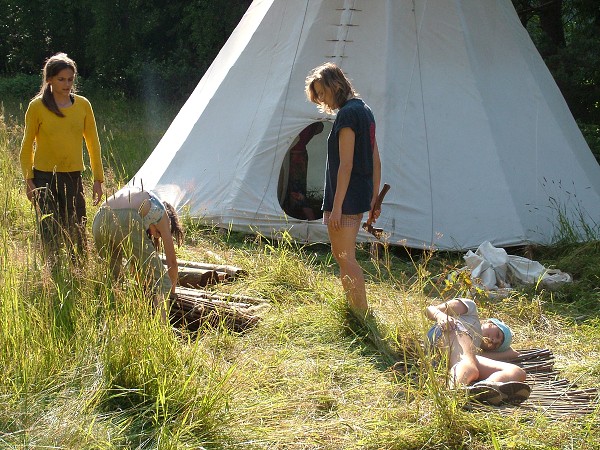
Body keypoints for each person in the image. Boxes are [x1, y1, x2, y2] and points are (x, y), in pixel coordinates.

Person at [305, 62, 382, 317]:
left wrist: (336, 208)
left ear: (335, 86)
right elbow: (375, 159)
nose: (323, 100)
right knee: (346, 258)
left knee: (345, 259)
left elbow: (346, 165)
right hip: (358, 195)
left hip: (346, 199)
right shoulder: (365, 110)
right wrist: (373, 199)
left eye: (323, 93)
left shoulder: (348, 114)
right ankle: (356, 311)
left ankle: (359, 315)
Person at [20, 52, 104, 261]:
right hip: (43, 177)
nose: (67, 84)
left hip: (73, 176)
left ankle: (79, 268)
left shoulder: (83, 105)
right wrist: (29, 181)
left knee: (77, 225)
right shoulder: (37, 106)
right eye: (61, 79)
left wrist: (98, 179)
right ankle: (52, 269)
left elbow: (93, 144)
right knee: (49, 227)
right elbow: (26, 145)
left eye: (70, 79)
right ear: (49, 79)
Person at [92, 186, 184, 322]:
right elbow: (172, 263)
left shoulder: (141, 203)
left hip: (99, 218)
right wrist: (171, 292)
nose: (156, 237)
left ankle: (107, 325)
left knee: (113, 282)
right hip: (124, 218)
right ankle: (162, 334)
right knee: (162, 282)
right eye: (158, 234)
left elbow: (135, 264)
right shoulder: (162, 214)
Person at [425, 297, 531, 405]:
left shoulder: (476, 350)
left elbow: (508, 354)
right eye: (498, 334)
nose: (494, 340)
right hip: (447, 330)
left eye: (497, 345)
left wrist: (508, 352)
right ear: (491, 323)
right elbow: (429, 309)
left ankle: (485, 388)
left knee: (518, 372)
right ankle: (451, 395)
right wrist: (441, 316)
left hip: (461, 358)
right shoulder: (470, 308)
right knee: (470, 366)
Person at [285, 122, 324, 220]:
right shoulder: (312, 124)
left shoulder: (300, 124)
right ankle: (299, 215)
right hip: (301, 155)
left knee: (296, 191)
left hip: (295, 157)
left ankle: (310, 218)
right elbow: (320, 128)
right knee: (296, 189)